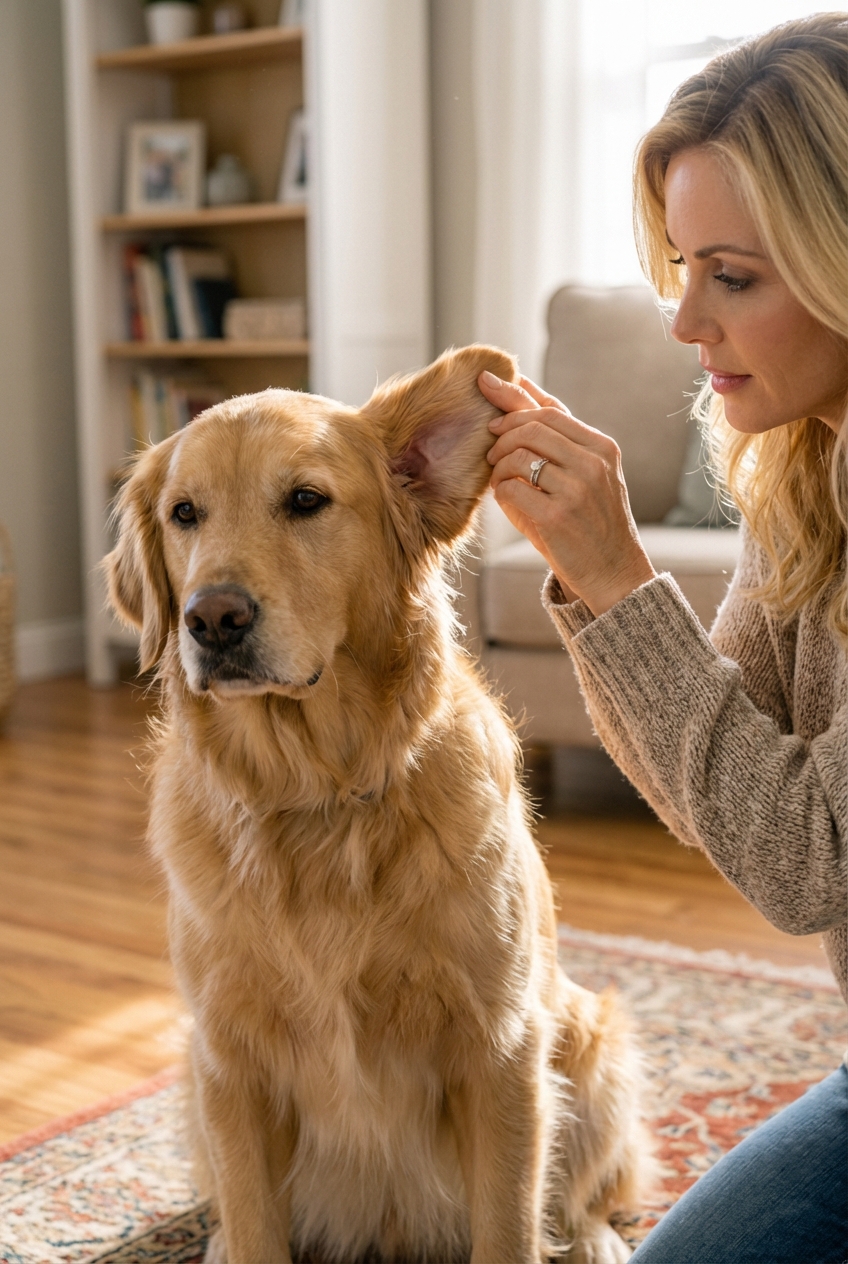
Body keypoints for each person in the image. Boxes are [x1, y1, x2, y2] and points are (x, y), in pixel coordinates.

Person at [478, 13, 847, 1264]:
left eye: (731, 275)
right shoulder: (804, 471)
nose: (684, 321)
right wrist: (597, 582)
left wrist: (614, 571)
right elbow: (711, 795)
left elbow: (804, 863)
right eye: (681, 266)